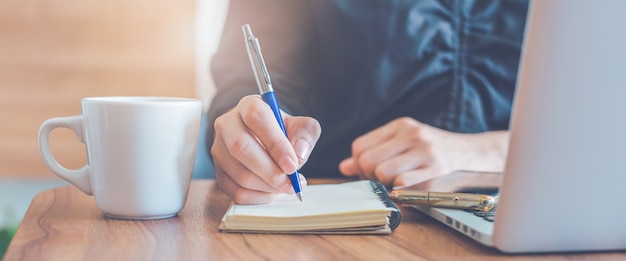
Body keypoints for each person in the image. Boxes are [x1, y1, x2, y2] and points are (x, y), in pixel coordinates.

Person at [207, 0, 529, 204]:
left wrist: (496, 151)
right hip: (341, 197)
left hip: (518, 202)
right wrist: (251, 127)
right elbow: (249, 78)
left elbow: (579, 122)